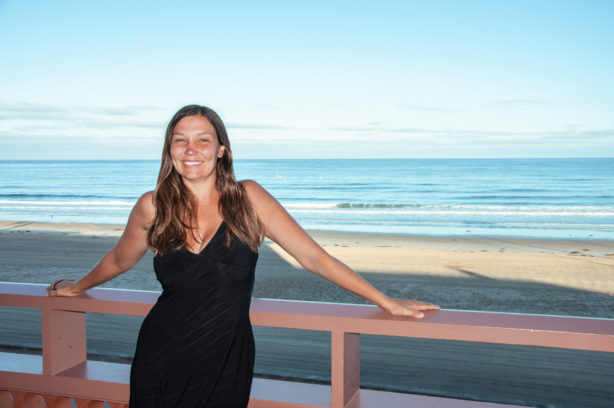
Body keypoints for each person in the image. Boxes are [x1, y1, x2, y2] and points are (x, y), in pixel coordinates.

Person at [47, 104, 439, 407]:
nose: (191, 149)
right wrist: (77, 287)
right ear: (170, 149)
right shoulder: (153, 206)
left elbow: (314, 258)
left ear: (221, 149)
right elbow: (120, 259)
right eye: (180, 139)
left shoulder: (249, 199)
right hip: (161, 352)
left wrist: (385, 301)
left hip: (225, 356)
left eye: (203, 139)